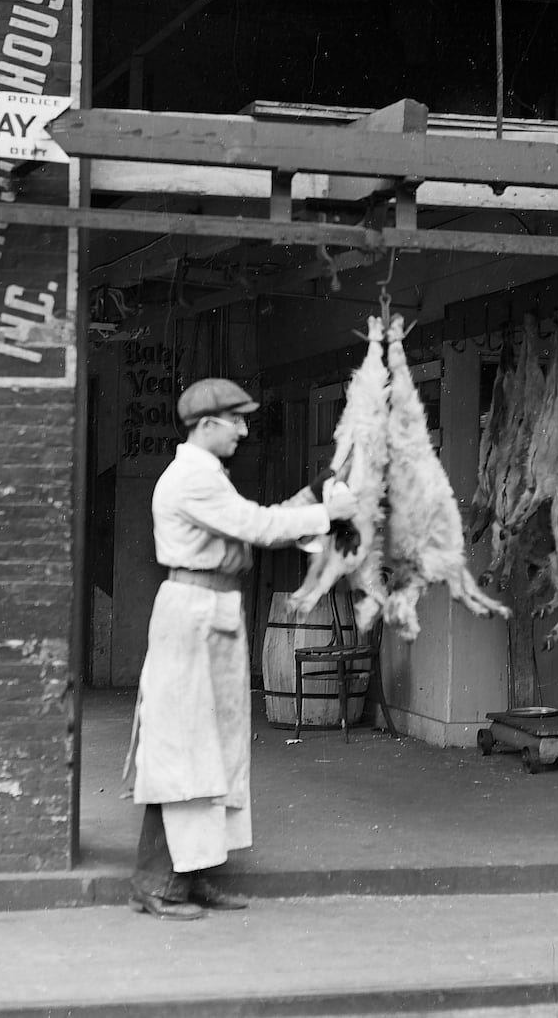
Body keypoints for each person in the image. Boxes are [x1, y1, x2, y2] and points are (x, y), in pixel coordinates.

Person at [124, 377, 356, 921]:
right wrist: (327, 512)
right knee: (182, 750)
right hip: (193, 612)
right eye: (236, 421)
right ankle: (156, 882)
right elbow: (257, 525)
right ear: (207, 424)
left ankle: (192, 876)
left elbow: (259, 520)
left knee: (213, 751)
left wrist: (317, 496)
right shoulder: (191, 479)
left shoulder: (209, 475)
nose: (244, 431)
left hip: (214, 612)